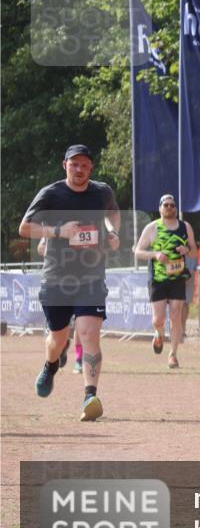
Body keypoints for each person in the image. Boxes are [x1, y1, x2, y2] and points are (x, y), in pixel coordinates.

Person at [18, 144, 121, 421]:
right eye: (74, 164)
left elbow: (113, 214)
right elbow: (24, 228)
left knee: (89, 333)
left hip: (91, 276)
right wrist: (58, 231)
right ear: (65, 165)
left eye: (85, 165)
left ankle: (90, 395)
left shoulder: (102, 192)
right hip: (56, 278)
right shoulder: (51, 194)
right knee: (57, 339)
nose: (79, 170)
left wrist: (112, 233)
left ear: (91, 169)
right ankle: (51, 365)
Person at [134, 194, 195, 368]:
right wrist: (155, 255)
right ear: (160, 208)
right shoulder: (152, 228)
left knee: (176, 315)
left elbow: (194, 252)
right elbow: (138, 252)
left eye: (172, 205)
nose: (170, 208)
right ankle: (159, 334)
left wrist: (187, 249)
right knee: (158, 319)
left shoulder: (185, 227)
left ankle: (173, 354)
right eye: (166, 205)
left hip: (178, 278)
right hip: (158, 279)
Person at [37, 238, 83, 373]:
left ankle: (79, 360)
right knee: (58, 333)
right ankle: (61, 347)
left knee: (81, 322)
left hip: (82, 281)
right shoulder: (54, 223)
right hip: (57, 282)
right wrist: (55, 253)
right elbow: (40, 247)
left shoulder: (86, 220)